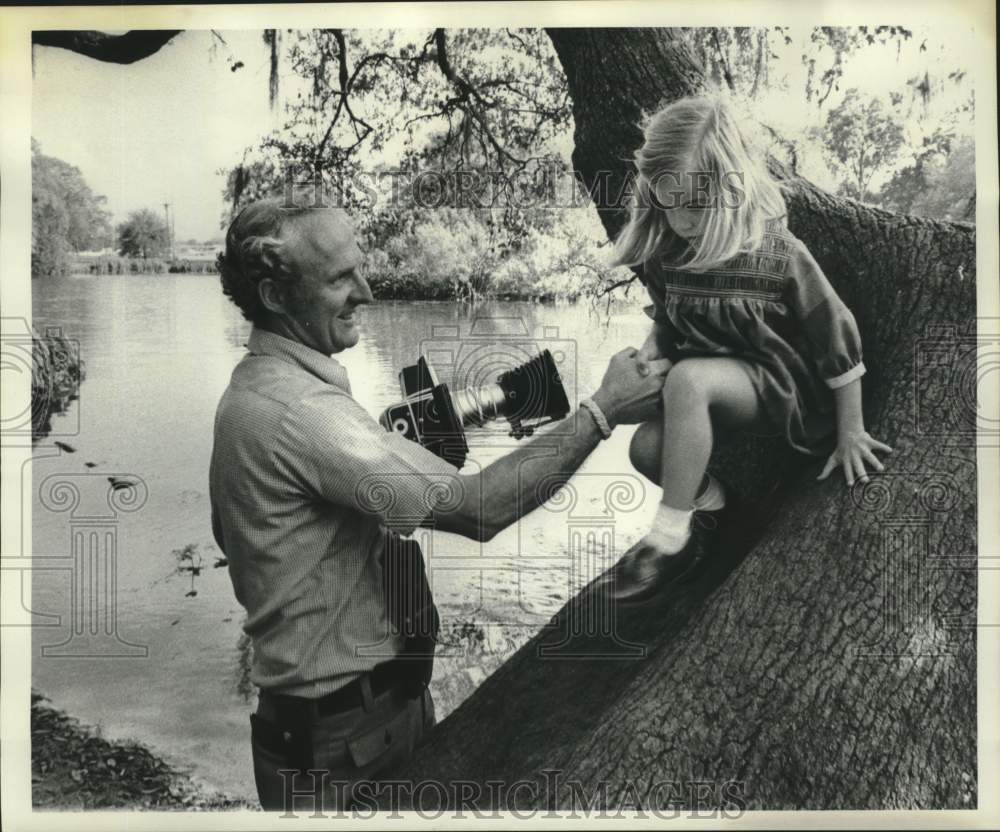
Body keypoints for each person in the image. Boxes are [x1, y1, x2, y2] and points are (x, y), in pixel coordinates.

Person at [208, 197, 671, 811]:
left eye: (360, 268)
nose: (366, 291)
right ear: (273, 295)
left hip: (341, 726)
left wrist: (395, 471)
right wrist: (602, 411)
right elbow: (480, 510)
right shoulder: (301, 413)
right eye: (339, 278)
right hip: (342, 743)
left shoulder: (260, 392)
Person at [603, 92, 892, 603]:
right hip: (711, 395)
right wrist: (650, 357)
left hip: (780, 386)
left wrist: (852, 430)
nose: (679, 220)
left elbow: (835, 331)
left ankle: (668, 540)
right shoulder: (667, 255)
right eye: (665, 204)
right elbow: (670, 325)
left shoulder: (775, 253)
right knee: (644, 449)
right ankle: (717, 511)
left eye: (693, 206)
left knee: (692, 379)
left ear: (729, 188)